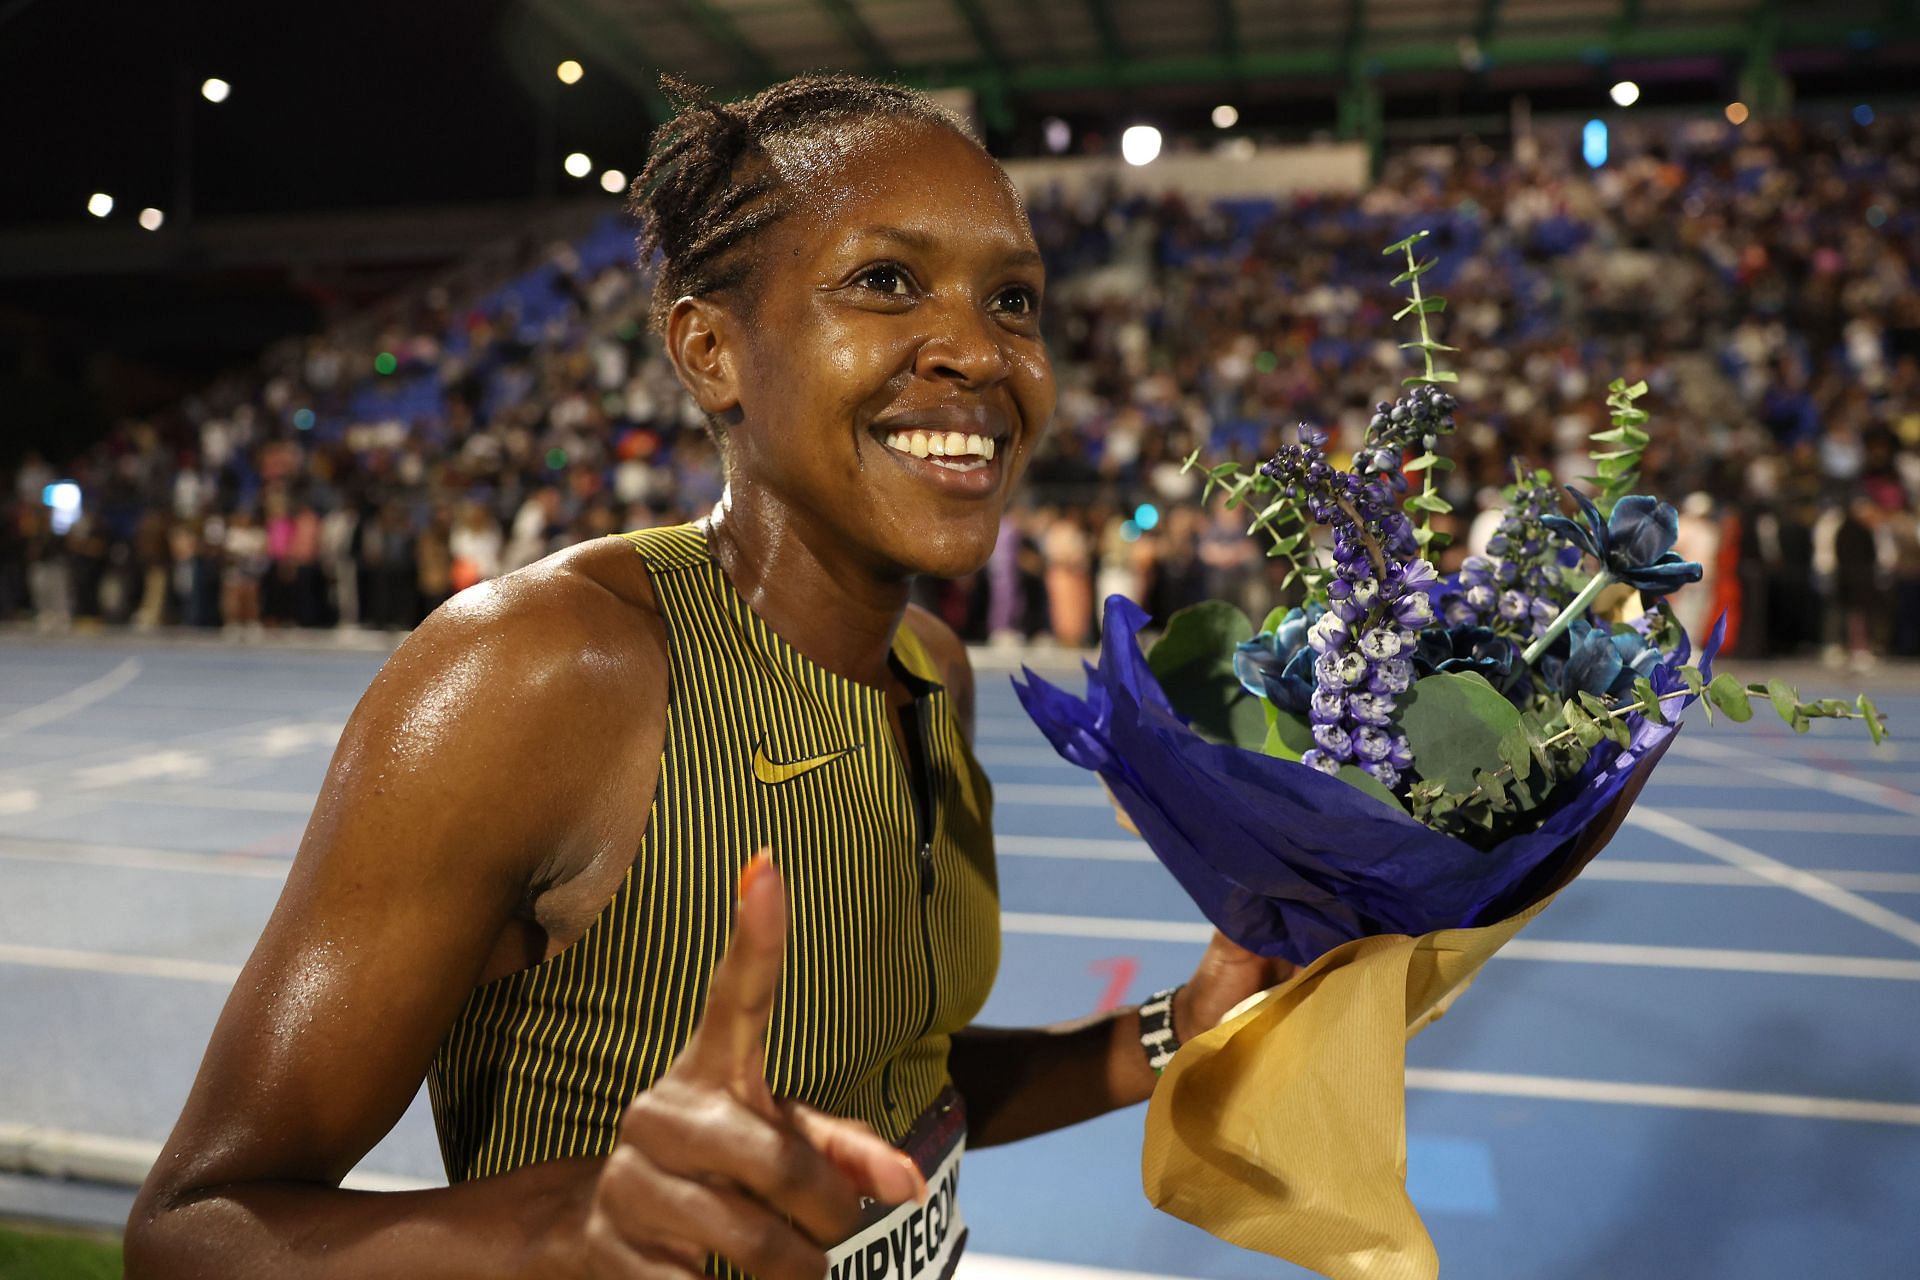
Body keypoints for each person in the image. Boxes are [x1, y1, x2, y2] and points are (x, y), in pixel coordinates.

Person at [124, 74, 1288, 1280]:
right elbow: (191, 1230)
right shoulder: (541, 671)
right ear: (711, 348)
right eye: (886, 280)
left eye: (1014, 299)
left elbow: (892, 1083)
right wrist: (564, 1230)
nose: (979, 350)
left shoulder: (935, 668)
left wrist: (1172, 1028)